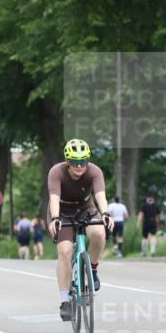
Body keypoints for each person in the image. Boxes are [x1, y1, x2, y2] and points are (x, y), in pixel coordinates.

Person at [48, 138, 114, 321]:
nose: (79, 166)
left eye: (83, 161)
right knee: (65, 251)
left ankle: (92, 269)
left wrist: (106, 213)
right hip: (62, 212)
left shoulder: (94, 172)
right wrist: (54, 218)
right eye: (75, 162)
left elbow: (100, 195)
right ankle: (65, 301)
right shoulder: (56, 172)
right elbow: (54, 198)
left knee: (100, 232)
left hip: (86, 209)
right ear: (68, 161)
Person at [138, 193, 161, 257]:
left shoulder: (144, 206)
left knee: (145, 237)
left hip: (146, 222)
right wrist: (159, 223)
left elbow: (141, 215)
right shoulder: (156, 206)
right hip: (153, 221)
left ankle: (144, 252)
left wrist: (139, 222)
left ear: (147, 198)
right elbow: (158, 216)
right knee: (153, 236)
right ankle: (153, 251)